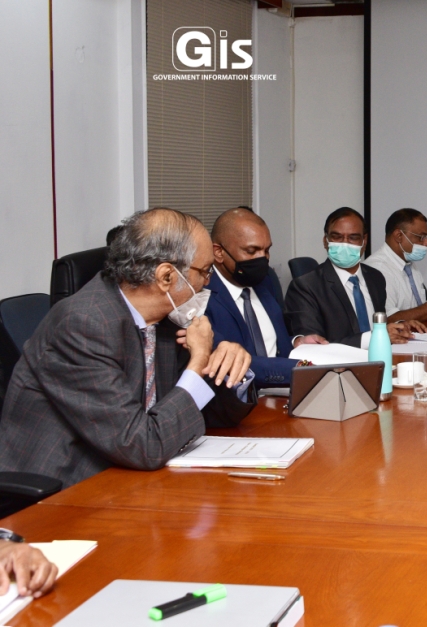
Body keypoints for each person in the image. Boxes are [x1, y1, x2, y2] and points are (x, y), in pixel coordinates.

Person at [0, 208, 256, 489]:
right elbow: (142, 445)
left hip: (132, 475)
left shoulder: (166, 320)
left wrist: (230, 370)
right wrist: (198, 362)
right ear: (166, 277)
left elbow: (202, 413)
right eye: (205, 272)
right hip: (66, 489)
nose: (207, 283)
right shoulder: (83, 325)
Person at [284, 207, 425, 347]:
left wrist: (400, 326)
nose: (345, 243)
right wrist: (376, 337)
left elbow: (374, 324)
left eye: (353, 238)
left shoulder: (375, 277)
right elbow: (313, 347)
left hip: (381, 357)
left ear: (364, 240)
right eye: (337, 237)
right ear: (325, 241)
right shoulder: (305, 287)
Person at [206, 208, 305, 389]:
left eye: (266, 251)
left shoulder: (265, 280)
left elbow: (270, 340)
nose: (262, 259)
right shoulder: (201, 297)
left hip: (288, 392)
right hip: (241, 398)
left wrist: (295, 341)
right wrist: (300, 368)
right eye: (251, 251)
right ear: (219, 252)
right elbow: (228, 360)